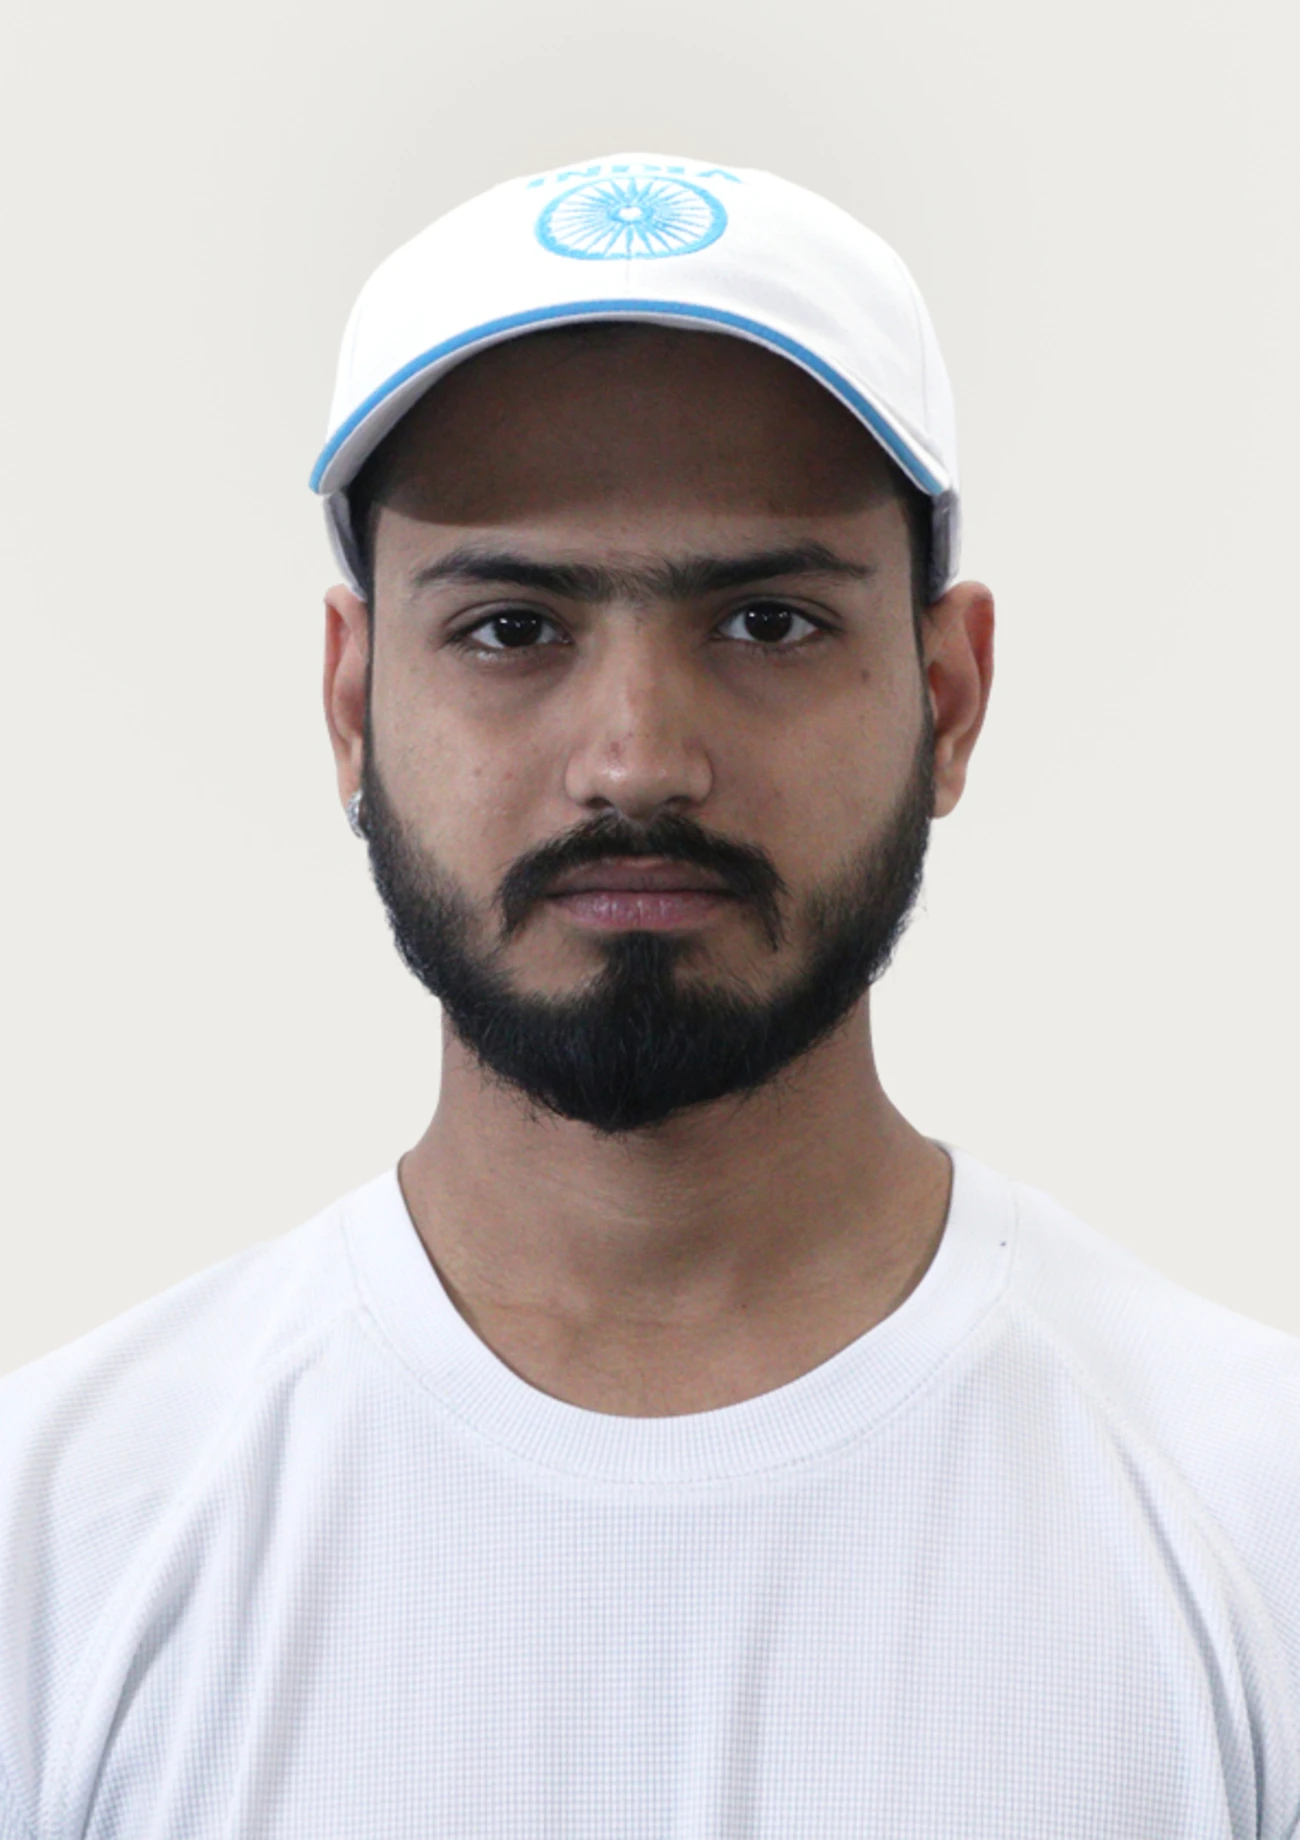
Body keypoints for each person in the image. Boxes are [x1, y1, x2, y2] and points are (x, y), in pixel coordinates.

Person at [1, 153, 1297, 1840]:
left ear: (950, 693)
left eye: (766, 621)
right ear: (350, 699)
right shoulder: (62, 1537)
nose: (636, 760)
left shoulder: (1251, 1509)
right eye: (511, 627)